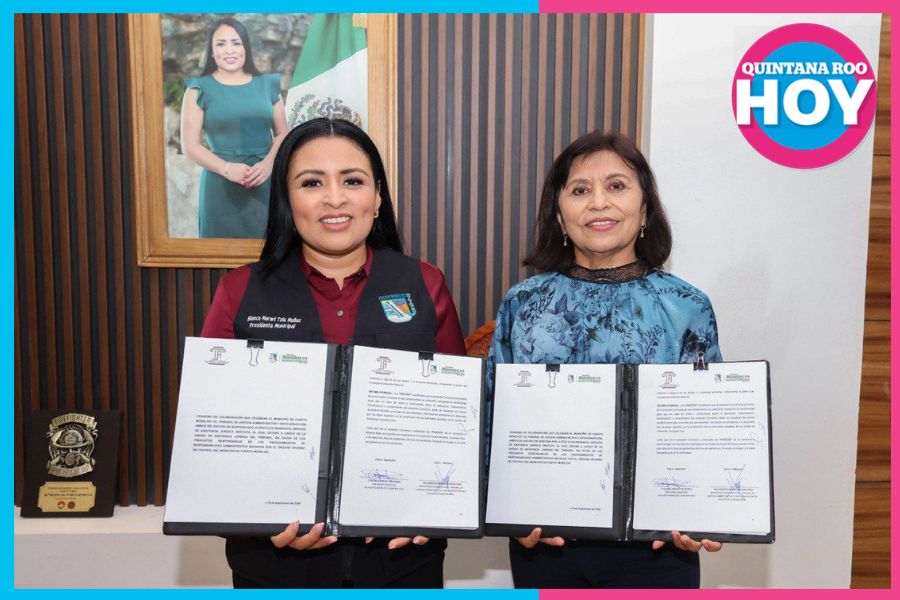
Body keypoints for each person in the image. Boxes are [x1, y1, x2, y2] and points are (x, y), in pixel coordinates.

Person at [201, 117, 465, 588]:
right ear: (286, 199)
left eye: (353, 181)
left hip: (401, 566)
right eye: (312, 183)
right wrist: (259, 524)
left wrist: (436, 507)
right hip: (274, 568)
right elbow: (212, 439)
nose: (335, 198)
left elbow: (455, 426)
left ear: (377, 196)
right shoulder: (239, 291)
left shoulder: (424, 284)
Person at [487, 131, 724, 589]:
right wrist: (504, 509)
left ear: (645, 209)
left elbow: (705, 430)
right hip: (547, 541)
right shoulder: (523, 304)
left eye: (616, 186)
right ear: (559, 215)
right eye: (580, 190)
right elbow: (493, 417)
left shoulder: (687, 306)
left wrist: (709, 509)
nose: (599, 202)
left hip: (657, 546)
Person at [181, 17, 289, 238]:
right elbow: (190, 146)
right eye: (221, 44)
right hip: (220, 185)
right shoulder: (198, 89)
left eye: (236, 43)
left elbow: (282, 134)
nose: (229, 50)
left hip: (265, 181)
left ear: (245, 48)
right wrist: (227, 169)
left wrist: (268, 165)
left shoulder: (268, 85)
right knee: (219, 253)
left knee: (270, 249)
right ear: (212, 52)